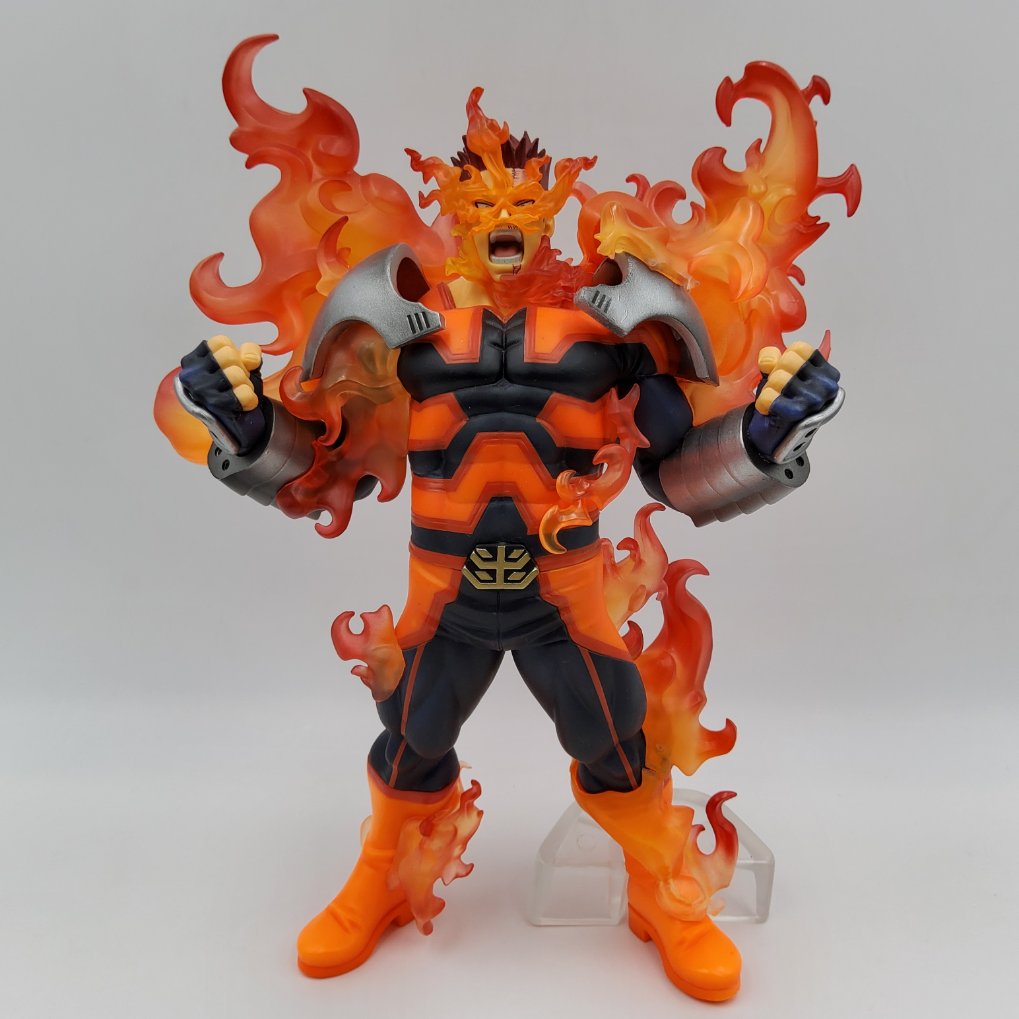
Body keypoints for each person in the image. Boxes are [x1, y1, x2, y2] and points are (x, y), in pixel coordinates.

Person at [157, 37, 857, 1003]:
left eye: (520, 201)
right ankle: (382, 878)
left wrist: (767, 439)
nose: (500, 217)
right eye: (480, 202)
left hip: (561, 598)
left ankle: (664, 892)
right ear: (452, 208)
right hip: (443, 597)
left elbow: (675, 472)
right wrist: (242, 429)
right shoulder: (398, 334)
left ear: (549, 208)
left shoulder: (608, 335)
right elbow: (323, 465)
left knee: (614, 740)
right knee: (411, 736)